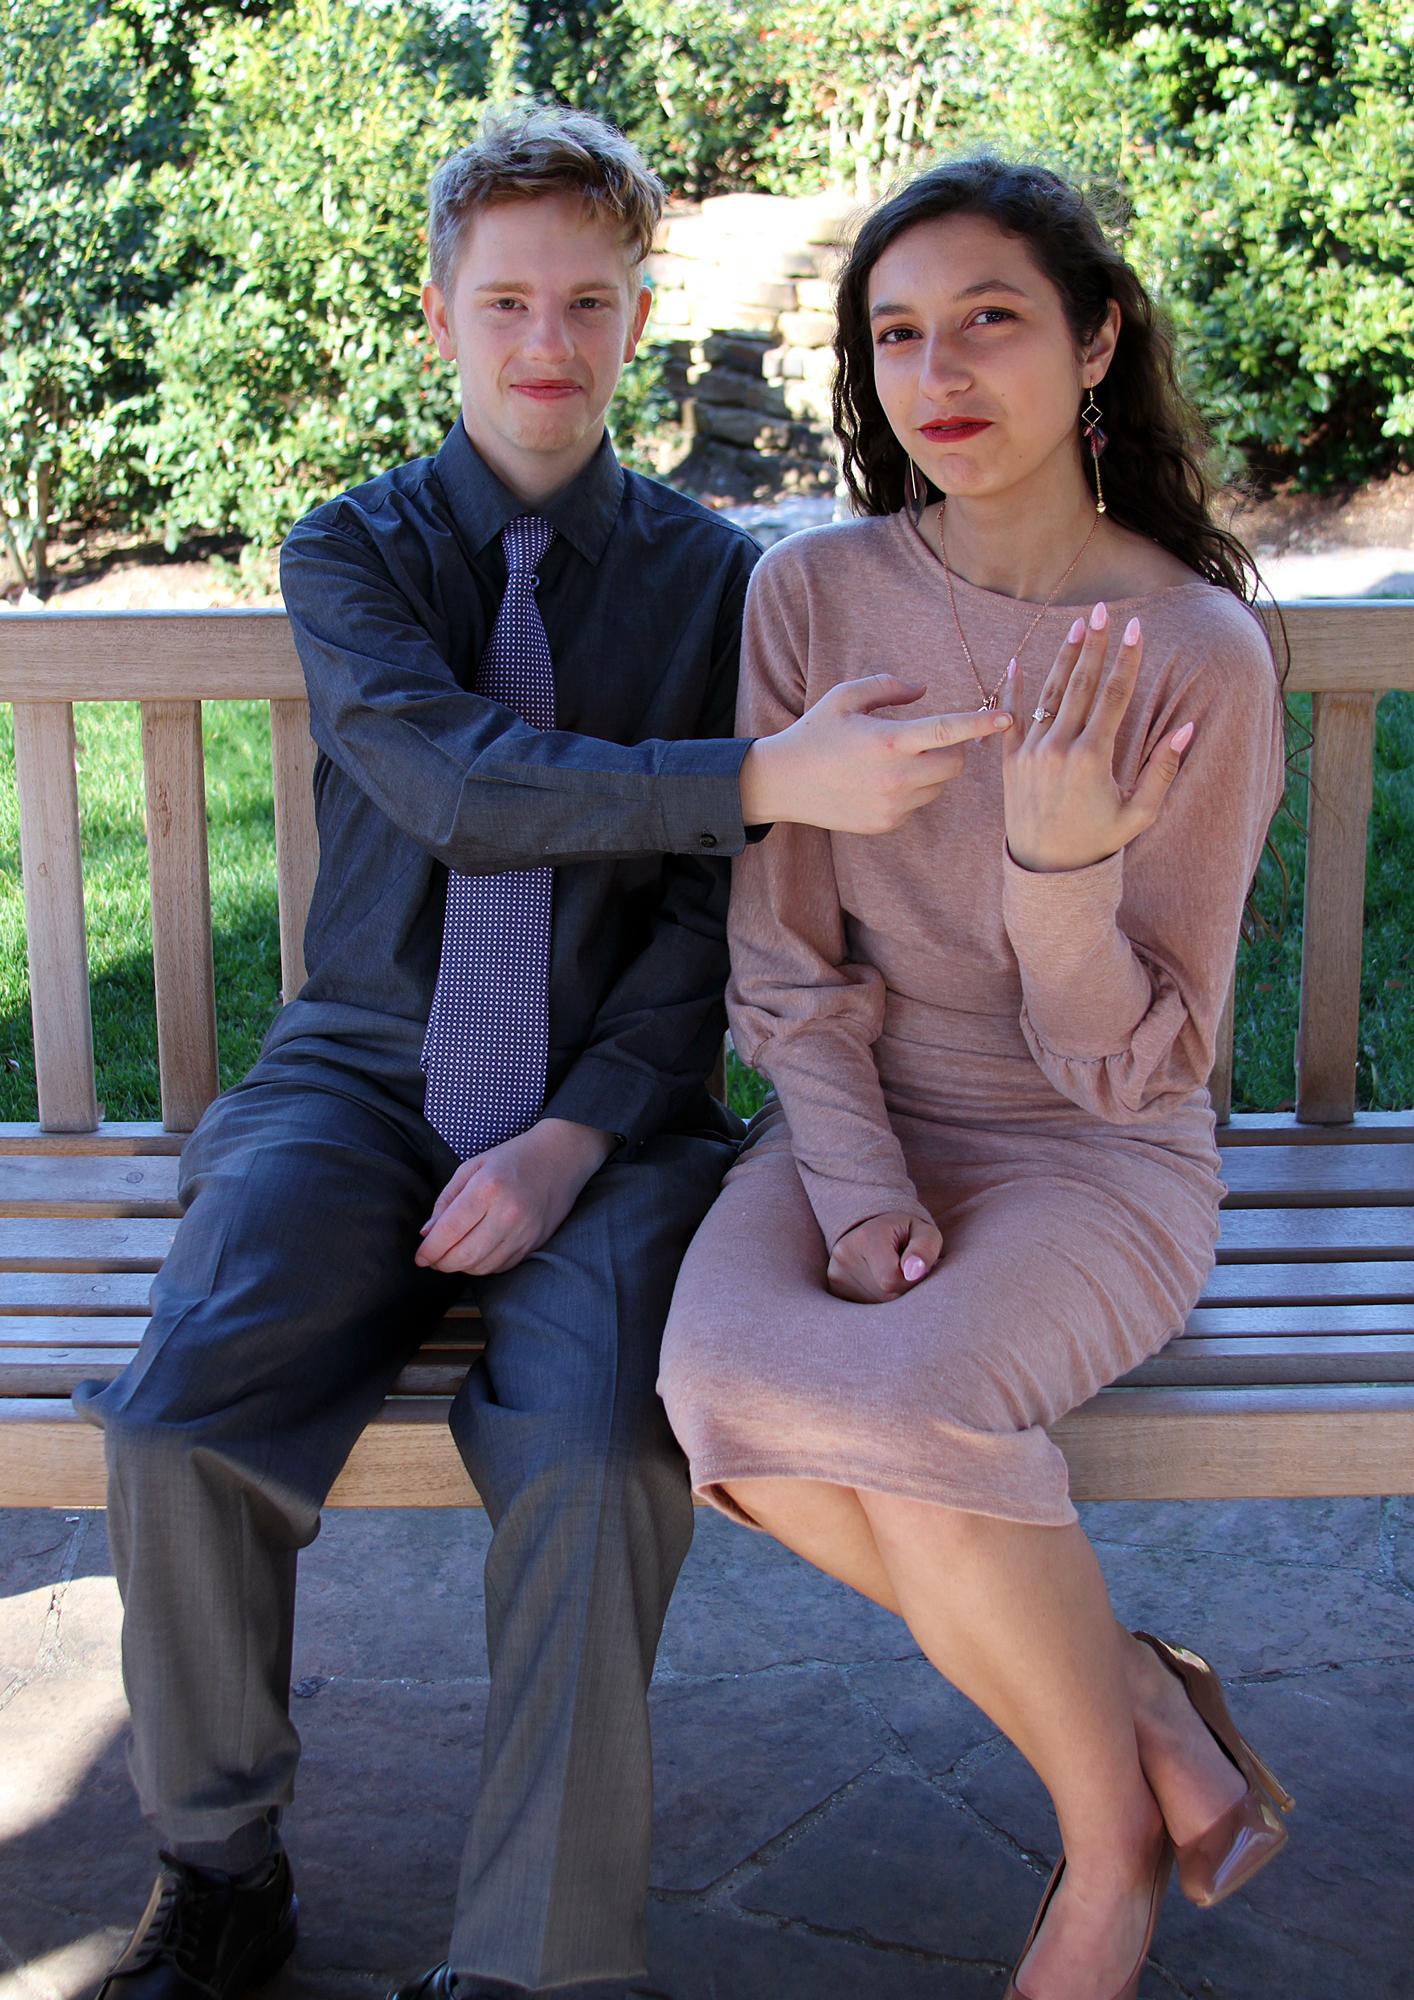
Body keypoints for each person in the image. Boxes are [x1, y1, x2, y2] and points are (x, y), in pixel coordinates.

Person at [75, 105, 1009, 2000]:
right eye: (505, 299)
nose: (546, 343)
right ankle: (220, 1862)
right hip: (360, 1072)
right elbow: (447, 785)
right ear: (439, 313)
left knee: (592, 1457)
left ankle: (537, 1966)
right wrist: (750, 777)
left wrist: (576, 1136)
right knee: (179, 1417)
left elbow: (707, 923)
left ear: (639, 317)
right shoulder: (354, 552)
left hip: (623, 1103)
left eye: (589, 301)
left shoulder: (716, 578)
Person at [659, 156, 1292, 2000]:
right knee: (720, 1387)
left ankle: (1104, 1864)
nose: (937, 374)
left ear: (1095, 342)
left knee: (914, 1406)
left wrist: (1056, 873)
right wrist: (854, 1190)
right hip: (854, 1112)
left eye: (991, 321)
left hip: (1099, 1155)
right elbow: (784, 961)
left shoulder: (1192, 650)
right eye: (896, 336)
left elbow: (1137, 1058)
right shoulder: (811, 598)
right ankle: (1135, 1696)